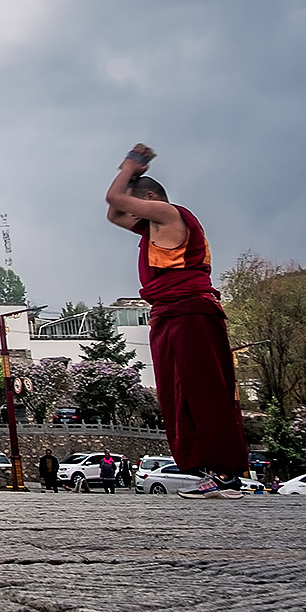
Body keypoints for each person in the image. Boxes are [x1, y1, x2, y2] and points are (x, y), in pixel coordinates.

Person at [106, 144, 249, 498]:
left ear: (152, 199)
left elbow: (114, 196)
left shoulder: (170, 215)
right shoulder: (151, 229)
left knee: (206, 390)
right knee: (178, 393)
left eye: (138, 201)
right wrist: (131, 178)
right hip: (167, 314)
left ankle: (228, 475)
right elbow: (113, 213)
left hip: (191, 311)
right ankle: (206, 469)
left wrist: (129, 167)